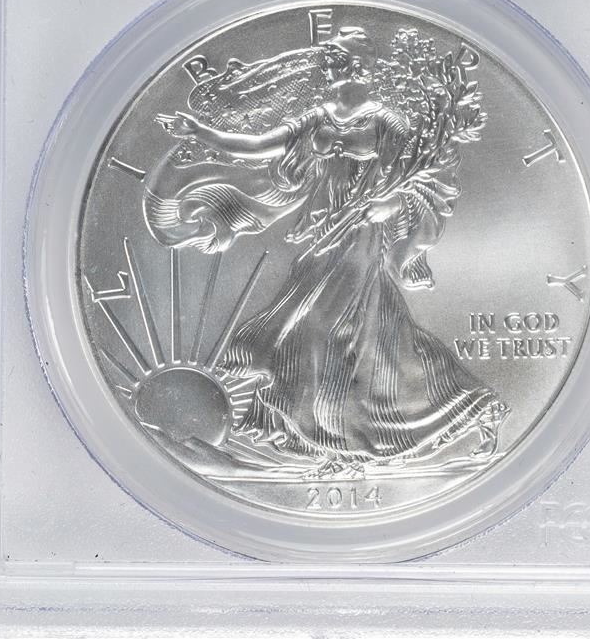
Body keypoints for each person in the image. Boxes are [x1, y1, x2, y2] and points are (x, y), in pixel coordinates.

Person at [144, 30, 504, 473]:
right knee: (365, 339)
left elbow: (426, 180)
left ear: (359, 68)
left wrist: (392, 203)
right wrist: (200, 131)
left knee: (324, 332)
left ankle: (340, 444)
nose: (328, 67)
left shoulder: (387, 124)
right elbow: (258, 147)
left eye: (336, 60)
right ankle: (350, 439)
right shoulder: (315, 120)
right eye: (329, 60)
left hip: (361, 241)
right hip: (320, 238)